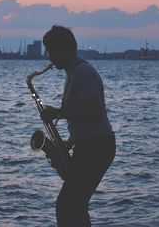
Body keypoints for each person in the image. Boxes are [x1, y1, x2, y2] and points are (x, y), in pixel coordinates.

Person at [41, 25, 116, 227]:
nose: (50, 57)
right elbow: (86, 117)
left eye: (53, 51)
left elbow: (96, 112)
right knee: (74, 204)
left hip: (97, 146)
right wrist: (69, 142)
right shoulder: (74, 72)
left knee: (68, 204)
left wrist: (58, 113)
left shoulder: (82, 72)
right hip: (91, 144)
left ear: (66, 48)